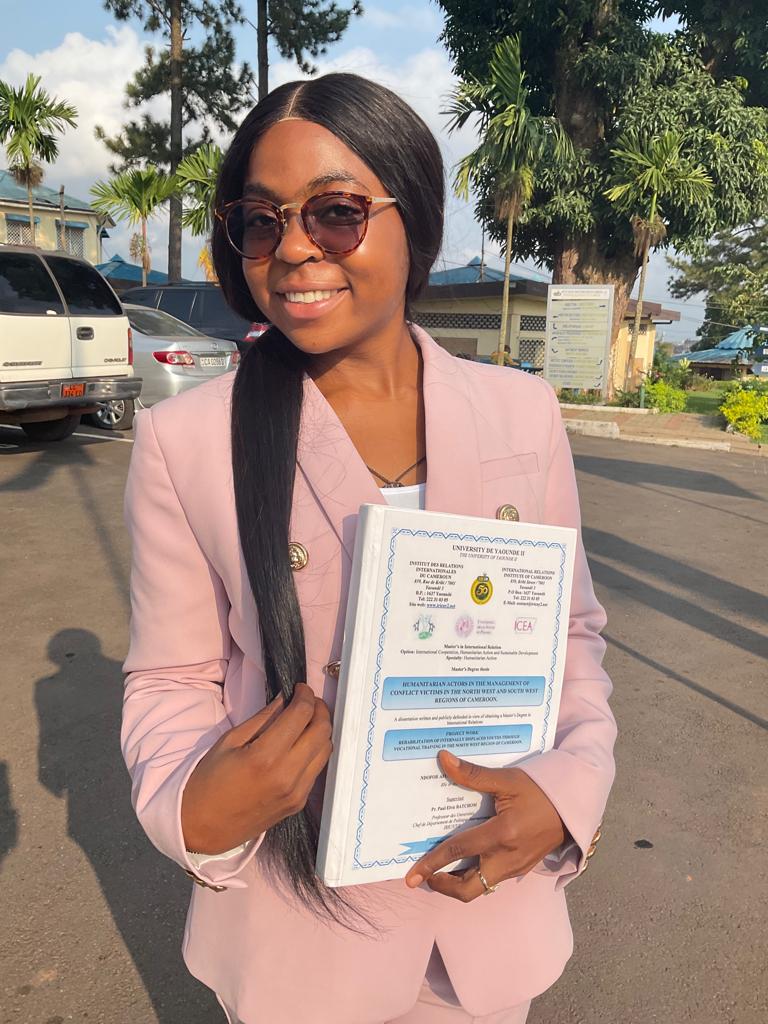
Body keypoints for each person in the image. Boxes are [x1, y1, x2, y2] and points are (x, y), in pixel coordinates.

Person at [121, 73, 617, 1024]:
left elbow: (573, 643)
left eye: (336, 212)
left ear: (413, 218)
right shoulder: (191, 442)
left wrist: (566, 793)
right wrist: (195, 804)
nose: (295, 246)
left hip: (484, 914)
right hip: (299, 943)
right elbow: (169, 680)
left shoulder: (521, 413)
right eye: (260, 220)